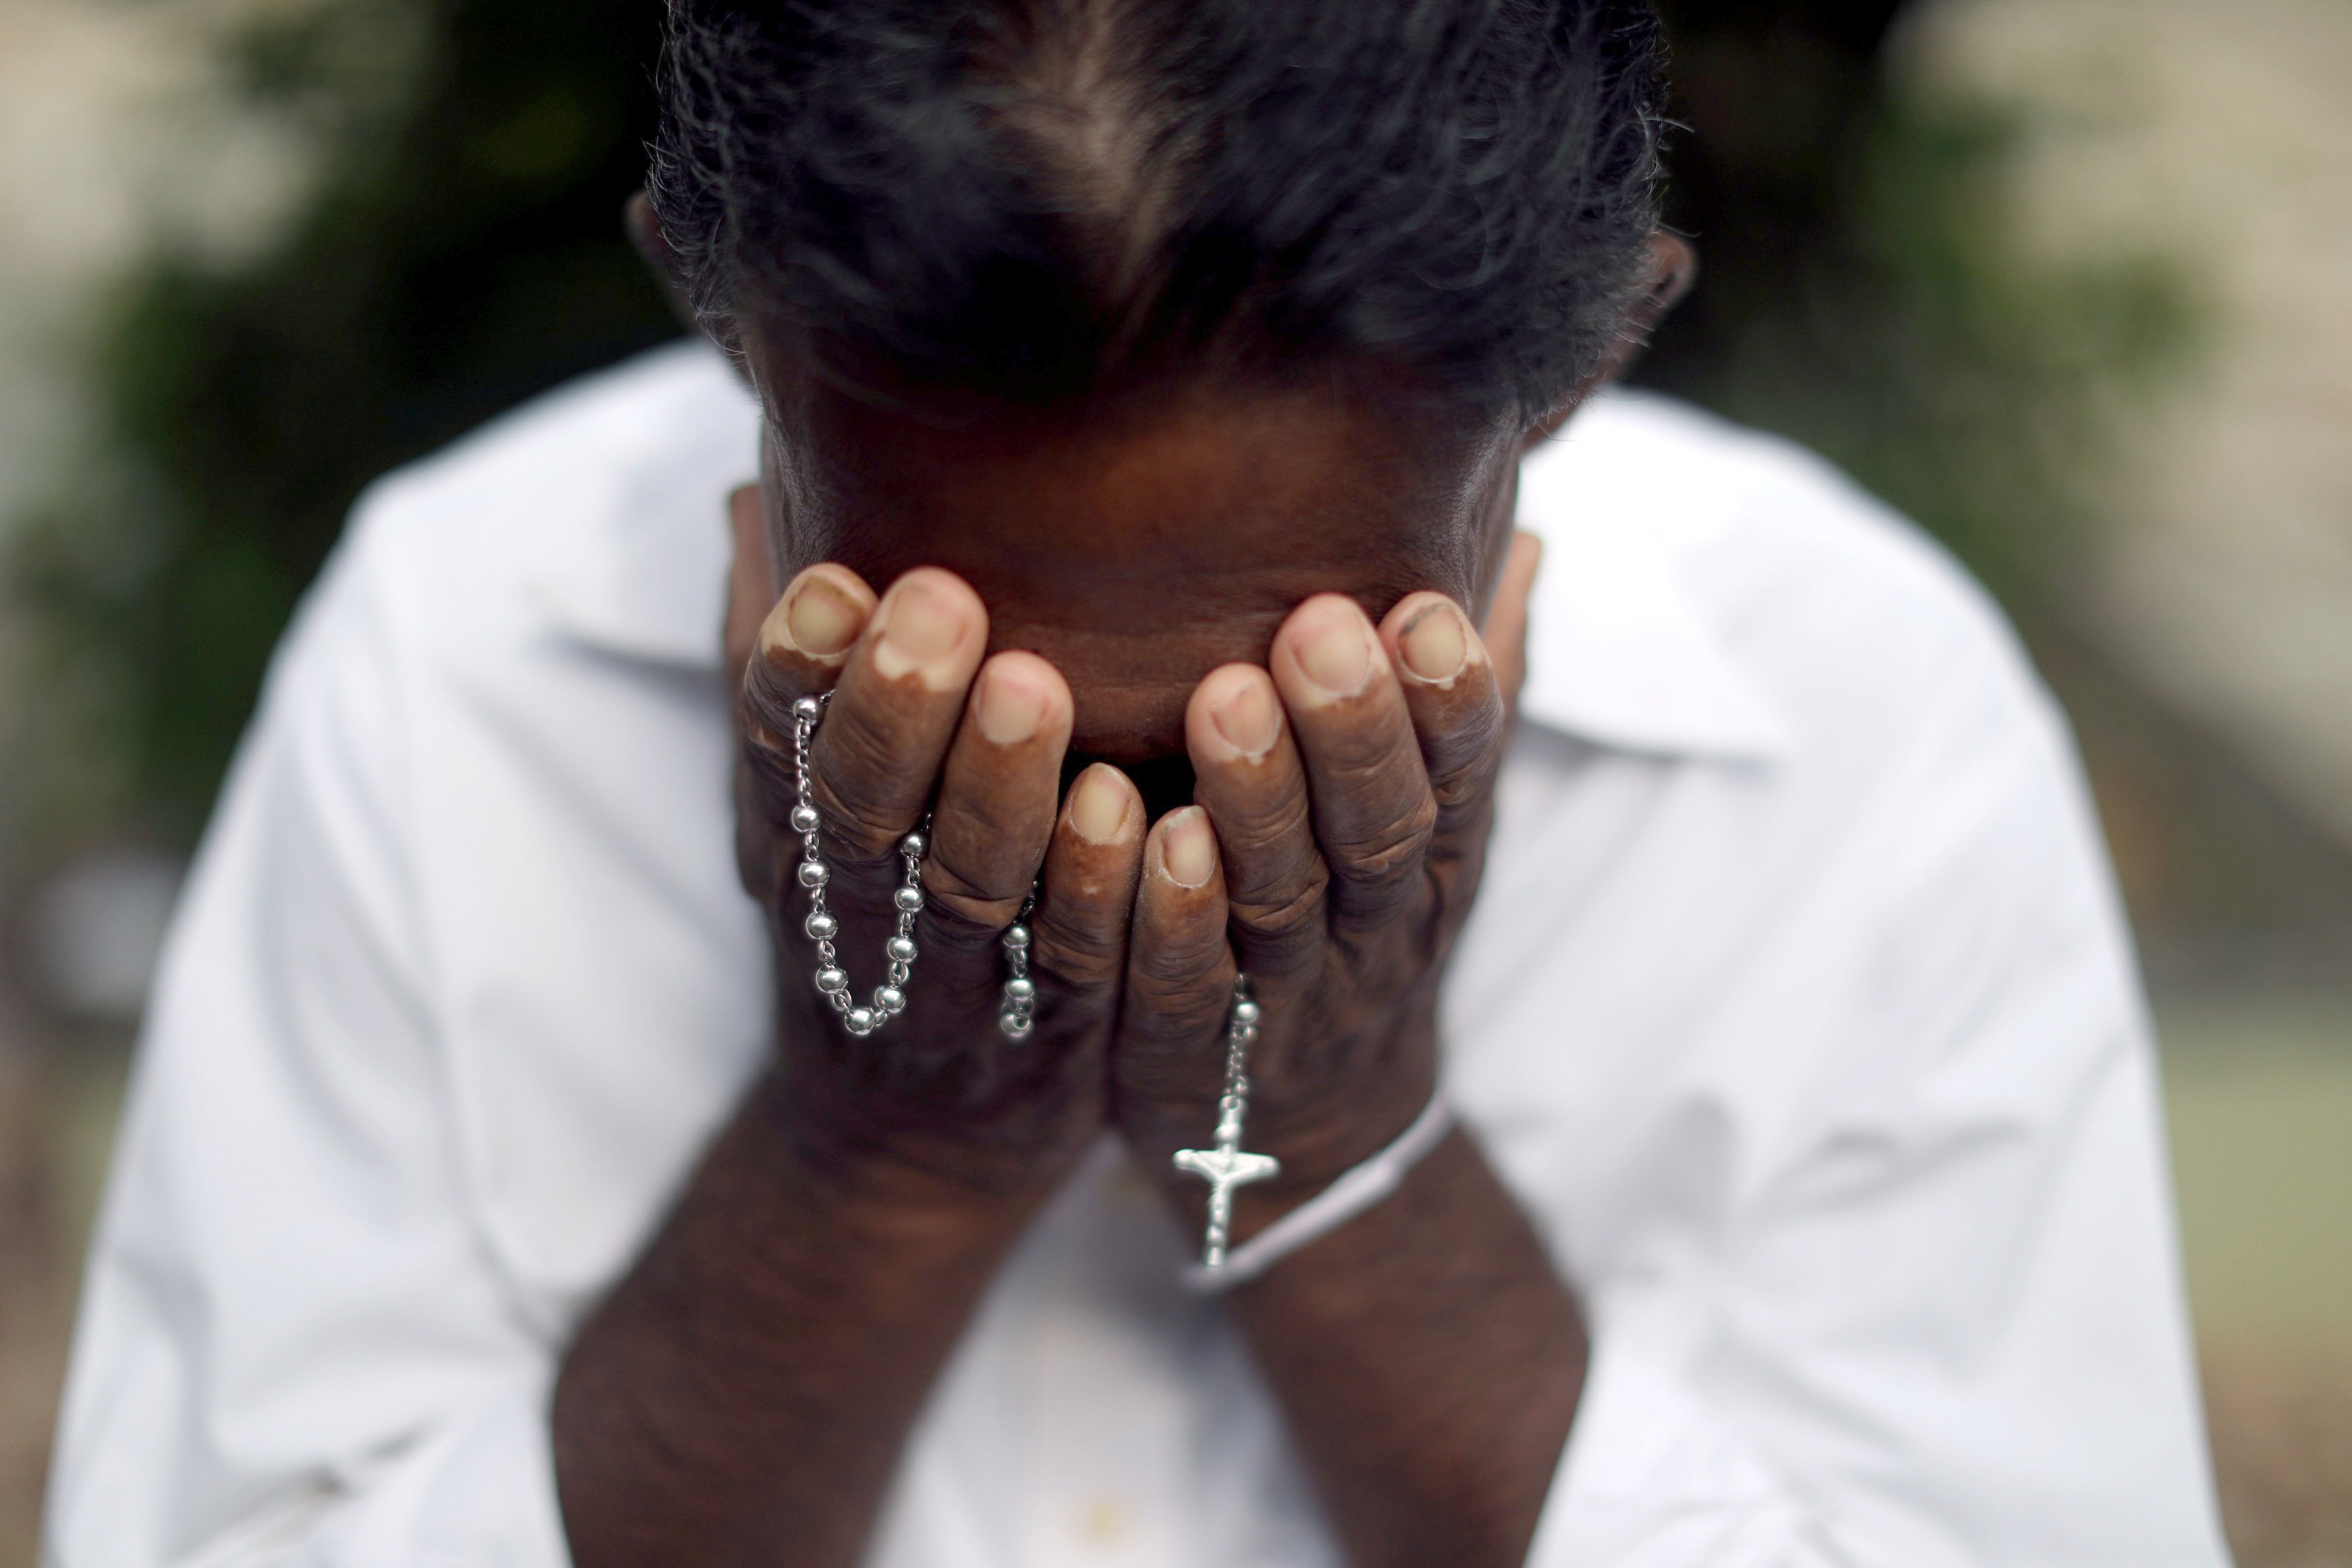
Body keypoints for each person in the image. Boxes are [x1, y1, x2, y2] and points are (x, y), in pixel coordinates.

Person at [46, 1, 2229, 1565]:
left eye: (1249, 728)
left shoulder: (1861, 714)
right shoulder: (459, 646)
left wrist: (1340, 1142)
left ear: (1578, 378)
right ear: (727, 338)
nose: (1113, 855)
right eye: (963, 680)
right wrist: (872, 1147)